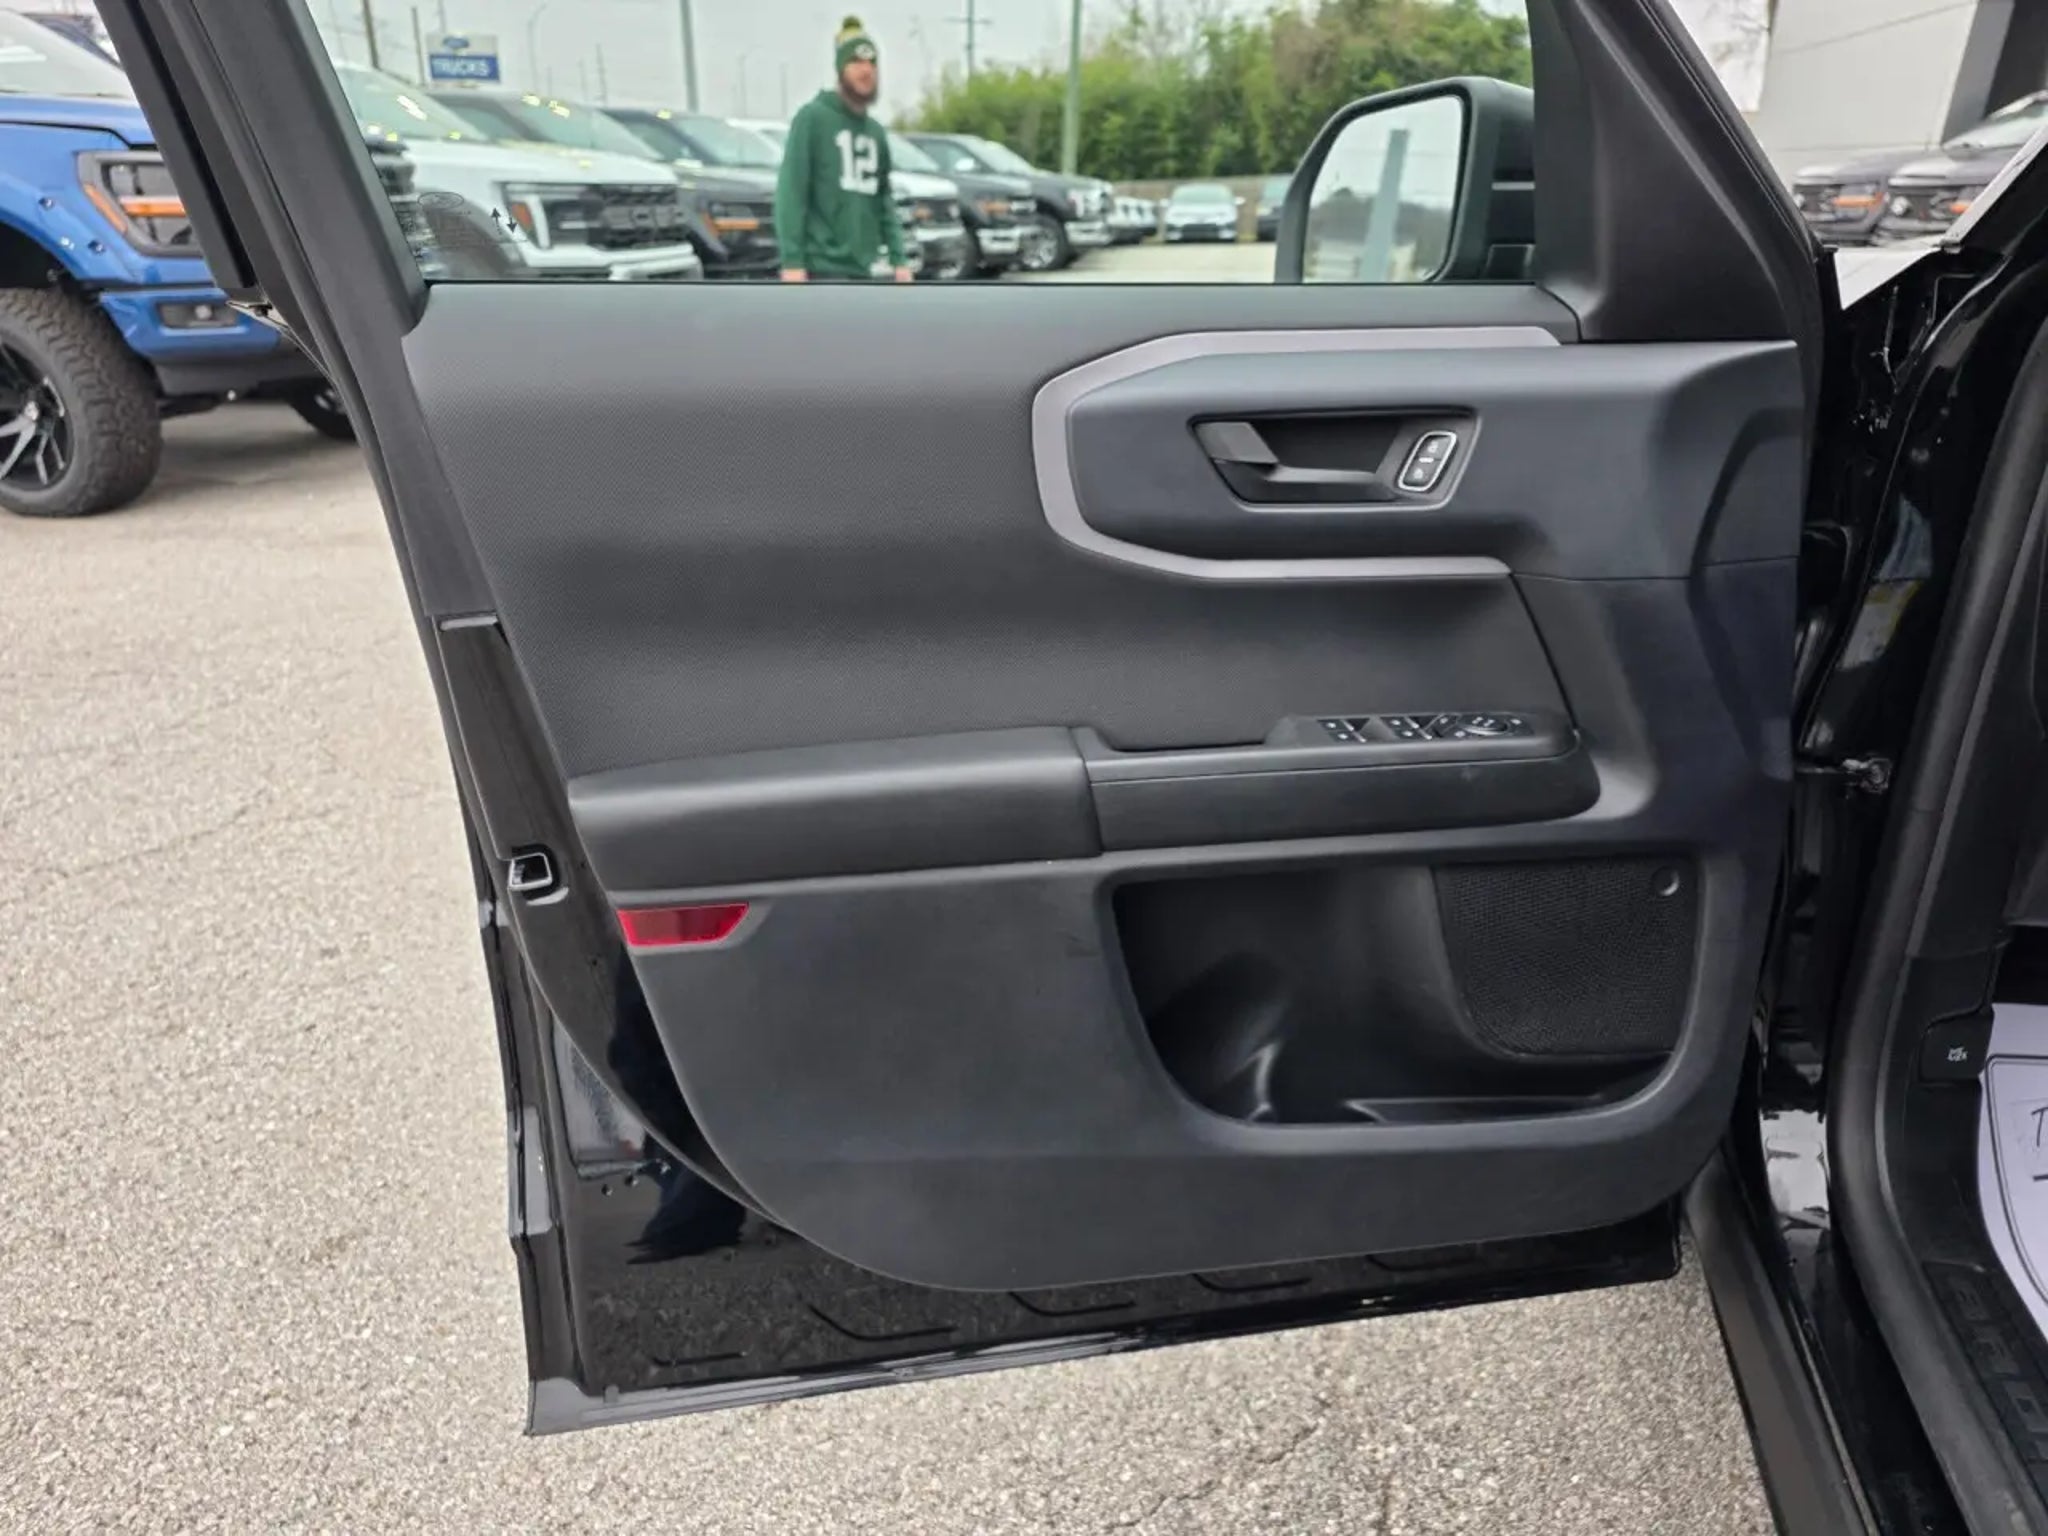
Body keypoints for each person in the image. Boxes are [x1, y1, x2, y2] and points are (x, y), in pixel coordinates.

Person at [774, 15, 911, 283]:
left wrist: (899, 259)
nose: (866, 70)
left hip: (864, 269)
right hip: (820, 268)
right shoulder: (813, 118)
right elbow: (792, 191)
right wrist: (792, 260)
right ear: (840, 68)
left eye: (872, 63)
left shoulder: (875, 132)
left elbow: (884, 200)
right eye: (856, 62)